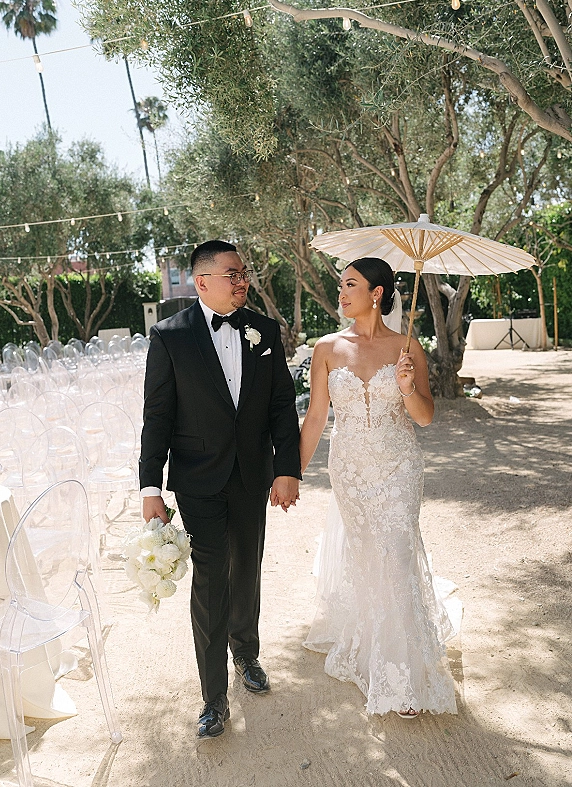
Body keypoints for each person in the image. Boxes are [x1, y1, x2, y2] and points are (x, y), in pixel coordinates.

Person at [139, 240, 301, 739]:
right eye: (233, 273)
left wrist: (287, 468)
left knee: (247, 566)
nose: (242, 280)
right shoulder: (169, 337)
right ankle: (214, 698)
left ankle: (246, 653)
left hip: (254, 475)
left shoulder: (265, 330)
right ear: (201, 280)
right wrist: (150, 487)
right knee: (210, 582)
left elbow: (280, 405)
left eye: (244, 273)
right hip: (199, 481)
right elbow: (157, 417)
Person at [299, 257, 457, 718]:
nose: (341, 292)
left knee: (396, 556)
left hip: (399, 469)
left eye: (350, 284)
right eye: (341, 284)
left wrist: (407, 386)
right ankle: (373, 650)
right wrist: (290, 473)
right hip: (350, 472)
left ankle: (401, 675)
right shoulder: (326, 348)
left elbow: (424, 416)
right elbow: (315, 418)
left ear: (377, 293)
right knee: (369, 558)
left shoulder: (409, 347)